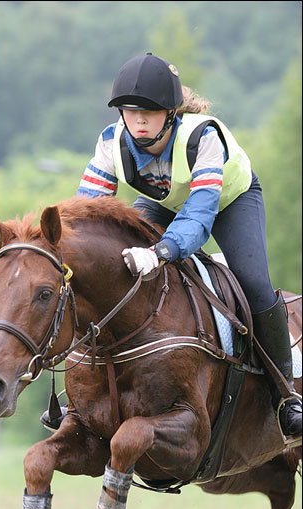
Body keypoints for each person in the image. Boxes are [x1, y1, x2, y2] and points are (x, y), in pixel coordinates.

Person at [41, 52, 301, 442]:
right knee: (114, 267)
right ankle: (81, 390)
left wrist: (159, 252)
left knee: (253, 283)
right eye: (130, 111)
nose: (138, 121)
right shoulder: (111, 142)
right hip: (166, 203)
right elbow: (86, 214)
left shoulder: (203, 137)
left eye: (149, 111)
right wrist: (58, 248)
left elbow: (198, 216)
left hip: (228, 201)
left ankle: (287, 398)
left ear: (171, 113)